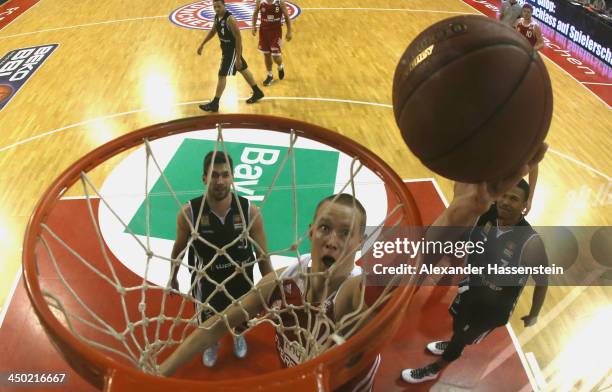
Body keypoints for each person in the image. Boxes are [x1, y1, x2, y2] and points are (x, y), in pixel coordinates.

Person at [160, 142, 548, 388]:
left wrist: (467, 208)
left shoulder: (356, 292)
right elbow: (215, 325)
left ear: (360, 243)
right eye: (325, 228)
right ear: (309, 232)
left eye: (346, 234)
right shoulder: (282, 283)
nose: (332, 239)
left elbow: (421, 254)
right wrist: (161, 372)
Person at [401, 179, 549, 383]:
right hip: (471, 288)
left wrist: (534, 314)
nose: (505, 202)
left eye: (514, 199)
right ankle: (455, 343)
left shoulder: (531, 242)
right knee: (458, 324)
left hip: (494, 307)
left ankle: (435, 368)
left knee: (462, 338)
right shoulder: (488, 215)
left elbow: (543, 281)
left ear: (525, 205)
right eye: (504, 195)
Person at [169, 151, 272, 367]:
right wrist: (173, 277)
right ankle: (211, 343)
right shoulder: (189, 213)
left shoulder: (249, 211)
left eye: (225, 175)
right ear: (204, 178)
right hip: (206, 282)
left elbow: (263, 256)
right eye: (214, 175)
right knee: (208, 324)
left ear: (233, 177)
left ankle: (237, 335)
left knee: (241, 318)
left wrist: (271, 288)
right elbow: (178, 248)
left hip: (241, 278)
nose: (220, 181)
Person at [197, 0, 265, 112]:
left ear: (224, 6)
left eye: (219, 6)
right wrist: (202, 43)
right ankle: (257, 92)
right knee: (243, 69)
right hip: (226, 49)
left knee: (221, 75)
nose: (217, 9)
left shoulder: (230, 19)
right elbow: (213, 31)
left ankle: (215, 103)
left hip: (232, 51)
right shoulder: (217, 17)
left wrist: (237, 57)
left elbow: (238, 38)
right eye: (215, 7)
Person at [251, 0, 294, 86]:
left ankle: (280, 66)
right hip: (263, 32)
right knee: (266, 54)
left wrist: (289, 31)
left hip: (276, 32)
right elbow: (255, 14)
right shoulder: (260, 1)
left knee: (275, 56)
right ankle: (270, 75)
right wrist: (253, 26)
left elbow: (287, 17)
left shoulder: (279, 2)